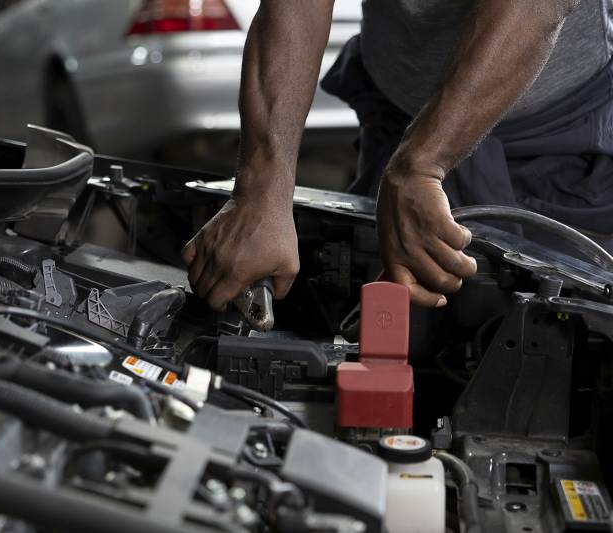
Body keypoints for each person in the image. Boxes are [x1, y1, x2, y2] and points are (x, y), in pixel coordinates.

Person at [182, 0, 613, 310]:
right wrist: (259, 193)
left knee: (562, 337)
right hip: (397, 123)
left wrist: (419, 165)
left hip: (560, 145)